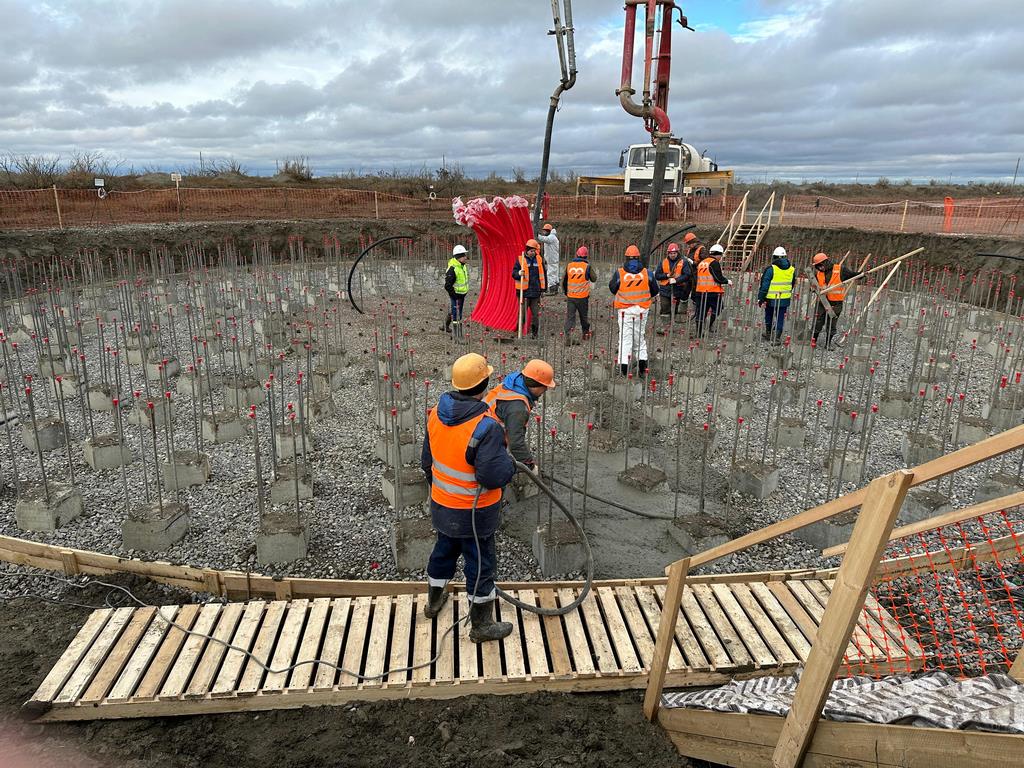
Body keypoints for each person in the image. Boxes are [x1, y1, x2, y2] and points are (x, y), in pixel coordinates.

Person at [421, 353, 517, 642]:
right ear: (484, 384)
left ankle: (434, 601)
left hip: (442, 507)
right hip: (476, 515)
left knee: (443, 552)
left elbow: (427, 460)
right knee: (480, 565)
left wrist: (441, 491)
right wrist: (510, 465)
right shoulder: (486, 426)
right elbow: (493, 475)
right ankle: (481, 625)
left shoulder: (436, 412)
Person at [483, 358, 556, 472]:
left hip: (482, 429)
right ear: (536, 385)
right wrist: (529, 465)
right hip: (487, 443)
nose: (546, 389)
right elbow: (516, 442)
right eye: (545, 386)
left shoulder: (514, 382)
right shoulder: (518, 408)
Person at [609, 244, 659, 376]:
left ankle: (624, 371)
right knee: (639, 339)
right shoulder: (647, 273)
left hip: (625, 311)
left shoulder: (619, 273)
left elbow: (612, 288)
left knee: (625, 340)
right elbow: (655, 290)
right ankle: (643, 369)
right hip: (642, 311)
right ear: (638, 258)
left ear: (626, 258)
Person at [811, 252, 861, 348]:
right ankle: (814, 340)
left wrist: (860, 275)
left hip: (836, 303)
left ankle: (828, 344)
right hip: (822, 301)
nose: (820, 268)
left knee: (832, 324)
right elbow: (813, 286)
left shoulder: (840, 270)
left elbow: (852, 275)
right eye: (817, 267)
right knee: (818, 322)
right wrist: (814, 289)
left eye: (820, 266)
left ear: (825, 263)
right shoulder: (818, 273)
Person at [757, 246, 795, 344]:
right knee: (780, 317)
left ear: (774, 257)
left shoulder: (771, 269)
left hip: (771, 298)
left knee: (769, 314)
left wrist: (760, 298)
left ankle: (769, 333)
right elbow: (792, 283)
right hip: (785, 298)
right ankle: (777, 337)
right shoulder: (791, 269)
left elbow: (765, 285)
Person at [692, 243, 730, 336]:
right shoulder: (714, 263)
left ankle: (699, 332)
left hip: (700, 292)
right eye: (720, 255)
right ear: (718, 254)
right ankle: (709, 325)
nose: (720, 258)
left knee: (701, 312)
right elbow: (718, 278)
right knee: (718, 308)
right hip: (712, 292)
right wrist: (727, 281)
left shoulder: (702, 262)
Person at [511, 239, 545, 338]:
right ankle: (519, 332)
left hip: (535, 293)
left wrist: (543, 290)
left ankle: (535, 334)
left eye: (534, 251)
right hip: (524, 292)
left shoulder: (539, 260)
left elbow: (543, 275)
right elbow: (513, 273)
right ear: (527, 250)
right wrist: (518, 273)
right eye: (531, 251)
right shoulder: (520, 260)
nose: (533, 253)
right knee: (522, 314)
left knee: (535, 315)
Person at [562, 245, 596, 342]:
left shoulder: (569, 265)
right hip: (582, 297)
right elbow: (594, 278)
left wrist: (566, 292)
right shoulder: (587, 266)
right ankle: (585, 334)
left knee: (570, 317)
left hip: (571, 296)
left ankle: (567, 336)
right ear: (586, 256)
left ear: (577, 254)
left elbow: (564, 281)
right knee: (583, 316)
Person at [654, 242, 693, 322]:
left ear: (677, 253)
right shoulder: (663, 262)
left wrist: (676, 280)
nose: (672, 255)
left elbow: (687, 275)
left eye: (674, 253)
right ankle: (665, 325)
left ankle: (671, 325)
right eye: (671, 253)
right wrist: (666, 276)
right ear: (668, 253)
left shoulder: (683, 262)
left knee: (674, 308)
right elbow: (657, 276)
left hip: (678, 289)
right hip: (665, 289)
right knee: (665, 307)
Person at [443, 244, 470, 337]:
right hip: (456, 295)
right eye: (464, 255)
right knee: (457, 316)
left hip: (462, 295)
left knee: (455, 311)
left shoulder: (462, 266)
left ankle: (445, 326)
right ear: (459, 257)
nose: (466, 257)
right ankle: (458, 337)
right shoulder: (453, 269)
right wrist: (454, 296)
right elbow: (447, 285)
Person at [536, 222, 560, 294]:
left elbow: (544, 239)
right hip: (553, 259)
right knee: (554, 275)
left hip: (552, 260)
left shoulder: (551, 237)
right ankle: (555, 289)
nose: (544, 232)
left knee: (551, 274)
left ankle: (552, 290)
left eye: (545, 231)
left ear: (548, 231)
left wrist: (537, 235)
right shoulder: (552, 237)